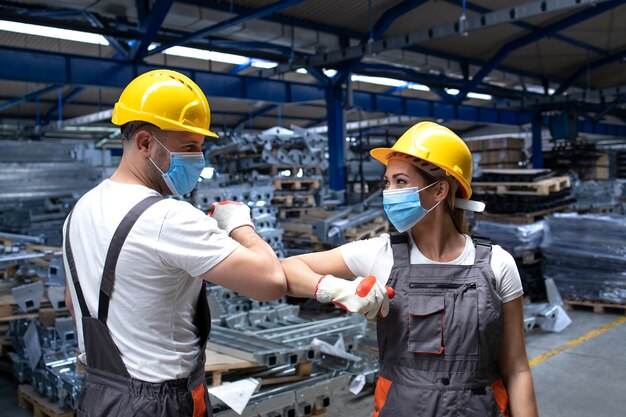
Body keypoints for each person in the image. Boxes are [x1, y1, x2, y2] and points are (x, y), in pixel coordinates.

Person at [62, 69, 287, 417]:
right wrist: (238, 224)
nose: (198, 160)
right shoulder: (168, 217)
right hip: (159, 402)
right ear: (145, 142)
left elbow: (74, 301)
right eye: (188, 147)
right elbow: (271, 282)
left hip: (100, 394)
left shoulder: (79, 210)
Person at [282, 121, 539, 417]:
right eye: (387, 182)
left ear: (440, 190)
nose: (389, 193)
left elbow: (516, 368)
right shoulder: (380, 254)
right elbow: (289, 268)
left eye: (401, 182)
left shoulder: (497, 264)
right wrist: (339, 288)